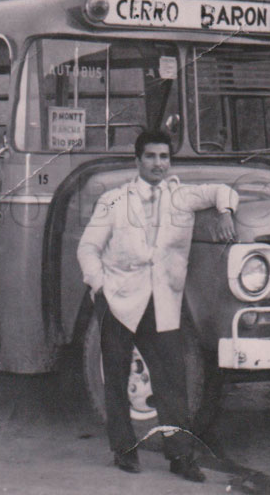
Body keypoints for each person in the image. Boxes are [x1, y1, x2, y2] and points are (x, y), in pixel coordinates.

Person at [77, 130, 238, 482]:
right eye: (150, 157)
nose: (158, 164)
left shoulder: (181, 197)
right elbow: (87, 248)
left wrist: (225, 212)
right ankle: (124, 450)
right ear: (137, 161)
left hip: (161, 303)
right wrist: (100, 286)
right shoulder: (115, 200)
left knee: (172, 382)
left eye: (164, 157)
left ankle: (181, 457)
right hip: (118, 300)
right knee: (116, 377)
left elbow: (221, 190)